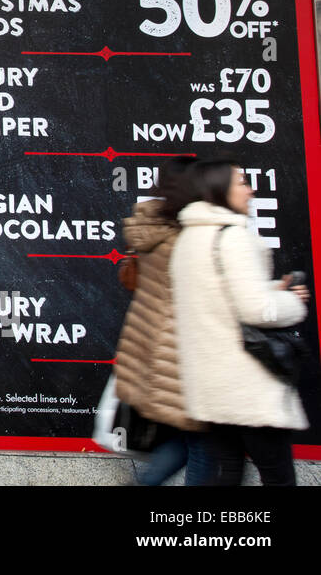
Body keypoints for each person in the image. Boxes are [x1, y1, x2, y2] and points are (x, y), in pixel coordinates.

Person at [170, 158, 312, 485]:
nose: (250, 190)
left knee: (226, 472)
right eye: (242, 182)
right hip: (246, 384)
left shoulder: (187, 241)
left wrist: (268, 288)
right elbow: (257, 311)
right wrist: (291, 301)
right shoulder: (233, 237)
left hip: (210, 386)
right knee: (277, 475)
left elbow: (214, 302)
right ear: (220, 188)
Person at [114, 156, 211, 485]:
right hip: (181, 354)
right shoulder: (188, 234)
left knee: (187, 443)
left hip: (152, 346)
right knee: (201, 447)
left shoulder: (153, 224)